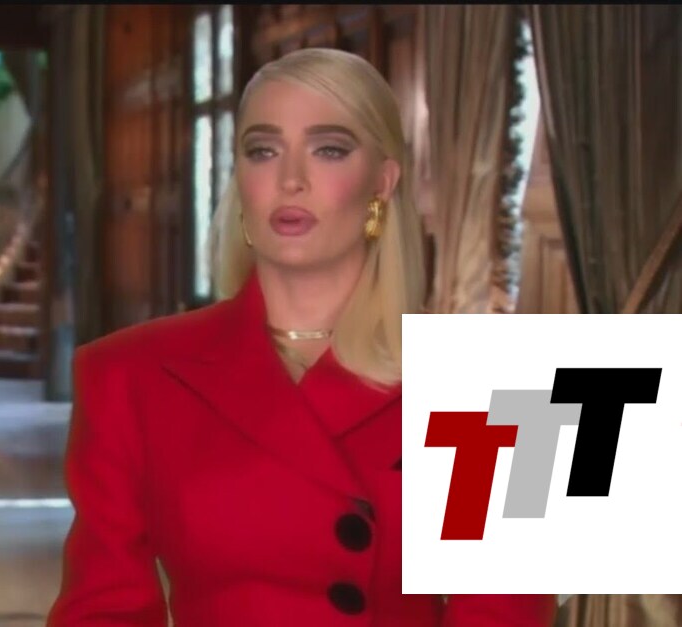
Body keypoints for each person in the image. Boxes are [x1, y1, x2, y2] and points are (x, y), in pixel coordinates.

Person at [47, 48, 557, 626]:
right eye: (263, 151)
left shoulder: (495, 385)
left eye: (328, 150)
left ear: (382, 182)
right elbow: (104, 611)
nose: (290, 179)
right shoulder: (127, 374)